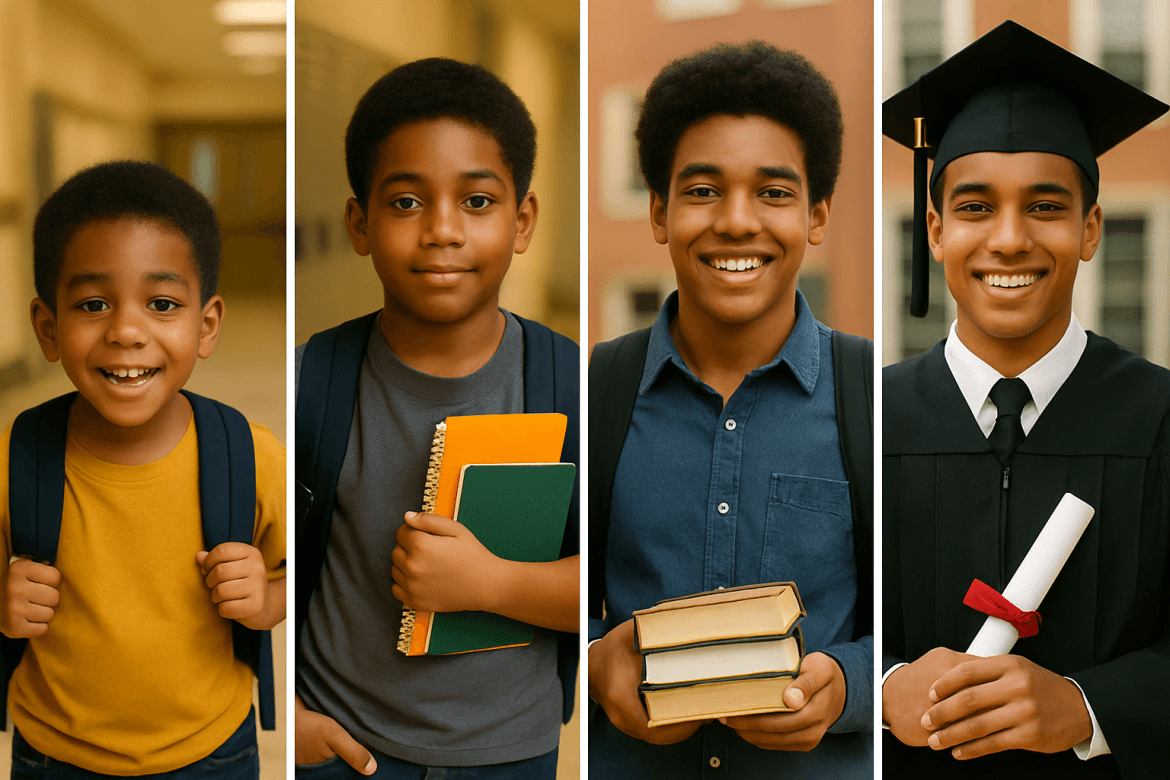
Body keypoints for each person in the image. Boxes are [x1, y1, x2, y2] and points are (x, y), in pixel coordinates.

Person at [882, 20, 1170, 780]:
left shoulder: (1162, 416)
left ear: (1090, 229)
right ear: (936, 231)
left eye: (1045, 206)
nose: (1009, 239)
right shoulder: (862, 418)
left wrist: (1091, 706)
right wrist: (879, 686)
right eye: (975, 208)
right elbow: (805, 618)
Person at [588, 41, 873, 778]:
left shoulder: (876, 396)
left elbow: (925, 623)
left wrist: (848, 685)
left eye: (774, 193)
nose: (737, 221)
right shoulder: (594, 392)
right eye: (703, 190)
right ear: (659, 211)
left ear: (818, 215)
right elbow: (538, 604)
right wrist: (593, 662)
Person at [293, 58, 579, 780]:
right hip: (345, 748)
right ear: (360, 223)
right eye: (406, 203)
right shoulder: (314, 380)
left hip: (510, 752)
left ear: (524, 221)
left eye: (477, 202)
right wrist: (287, 720)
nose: (442, 231)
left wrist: (490, 584)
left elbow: (625, 586)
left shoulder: (574, 384)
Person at [0, 160, 286, 778]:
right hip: (54, 754)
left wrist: (266, 598)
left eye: (161, 303)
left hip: (212, 752)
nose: (127, 331)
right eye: (94, 303)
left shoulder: (249, 452)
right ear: (48, 329)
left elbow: (318, 565)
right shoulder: (14, 458)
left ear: (205, 326)